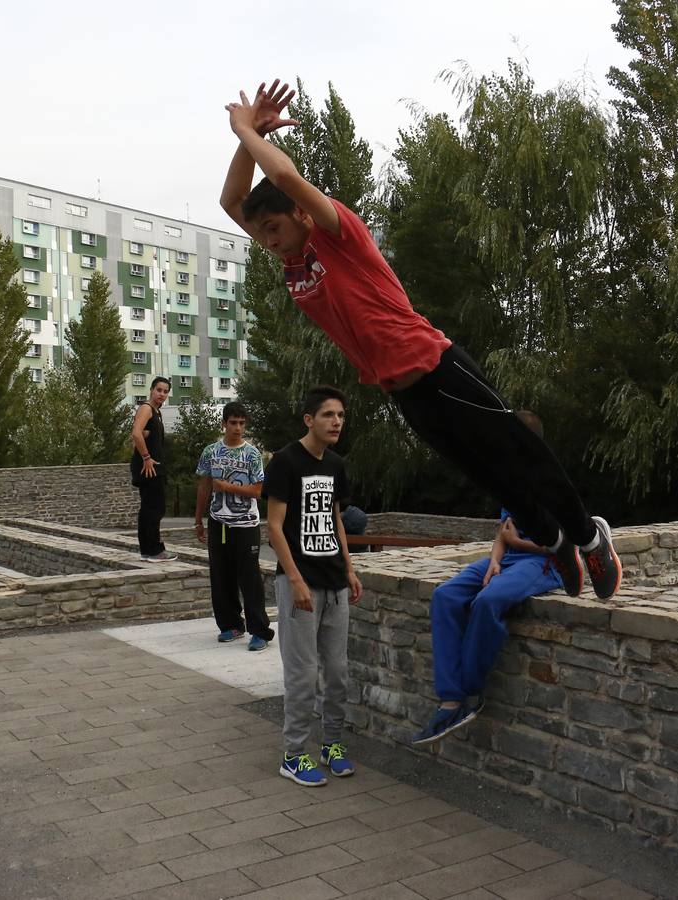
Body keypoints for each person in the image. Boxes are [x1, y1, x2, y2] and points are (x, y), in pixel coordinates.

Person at [219, 80, 621, 602]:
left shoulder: (337, 234)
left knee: (519, 453)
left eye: (274, 226)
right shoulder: (292, 260)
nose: (268, 240)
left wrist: (246, 129)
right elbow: (232, 200)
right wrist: (243, 141)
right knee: (485, 473)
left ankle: (589, 537)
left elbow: (283, 174)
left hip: (436, 363)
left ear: (298, 213)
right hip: (401, 389)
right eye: (262, 233)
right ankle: (554, 541)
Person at [412, 412, 564, 745]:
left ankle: (470, 691)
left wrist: (513, 543)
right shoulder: (509, 478)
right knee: (446, 595)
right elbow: (503, 530)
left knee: (488, 601)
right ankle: (449, 700)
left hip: (542, 563)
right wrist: (495, 560)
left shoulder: (551, 483)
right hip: (509, 559)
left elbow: (558, 545)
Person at [264, 386, 363, 786]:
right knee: (303, 675)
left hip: (335, 583)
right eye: (328, 415)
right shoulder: (285, 463)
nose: (336, 422)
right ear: (309, 419)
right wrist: (295, 579)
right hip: (299, 587)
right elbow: (273, 526)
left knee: (337, 672)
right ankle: (294, 754)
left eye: (340, 415)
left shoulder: (336, 465)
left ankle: (332, 745)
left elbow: (337, 519)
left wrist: (350, 569)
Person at [195, 401, 273, 650]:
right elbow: (205, 485)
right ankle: (231, 624)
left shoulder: (252, 454)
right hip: (219, 521)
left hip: (246, 524)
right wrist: (198, 519)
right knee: (220, 574)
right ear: (224, 423)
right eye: (233, 423)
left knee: (249, 576)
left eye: (242, 423)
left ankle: (259, 630)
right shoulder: (211, 452)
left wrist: (228, 487)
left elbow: (259, 491)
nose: (238, 428)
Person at [130, 376, 176, 562]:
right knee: (153, 508)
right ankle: (153, 550)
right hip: (149, 468)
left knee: (153, 507)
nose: (162, 394)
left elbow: (143, 434)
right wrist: (147, 458)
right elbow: (135, 433)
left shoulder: (156, 412)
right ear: (151, 390)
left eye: (165, 391)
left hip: (155, 467)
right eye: (159, 390)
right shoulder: (146, 408)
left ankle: (149, 549)